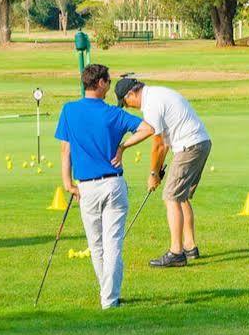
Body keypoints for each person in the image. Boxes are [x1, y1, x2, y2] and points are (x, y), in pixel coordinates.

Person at [54, 63, 138, 309]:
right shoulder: (113, 114)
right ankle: (109, 298)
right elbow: (147, 128)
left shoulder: (69, 110)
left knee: (96, 245)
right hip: (113, 184)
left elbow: (64, 149)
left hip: (86, 187)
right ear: (100, 83)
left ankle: (108, 295)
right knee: (113, 244)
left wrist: (67, 182)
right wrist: (123, 147)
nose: (110, 86)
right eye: (109, 82)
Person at [113, 75, 212, 267]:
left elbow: (158, 145)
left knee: (171, 197)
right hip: (200, 143)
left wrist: (152, 174)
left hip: (189, 146)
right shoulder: (158, 94)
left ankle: (176, 253)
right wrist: (157, 172)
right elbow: (165, 143)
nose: (128, 106)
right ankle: (190, 247)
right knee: (180, 197)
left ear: (132, 93)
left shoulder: (151, 104)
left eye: (126, 102)